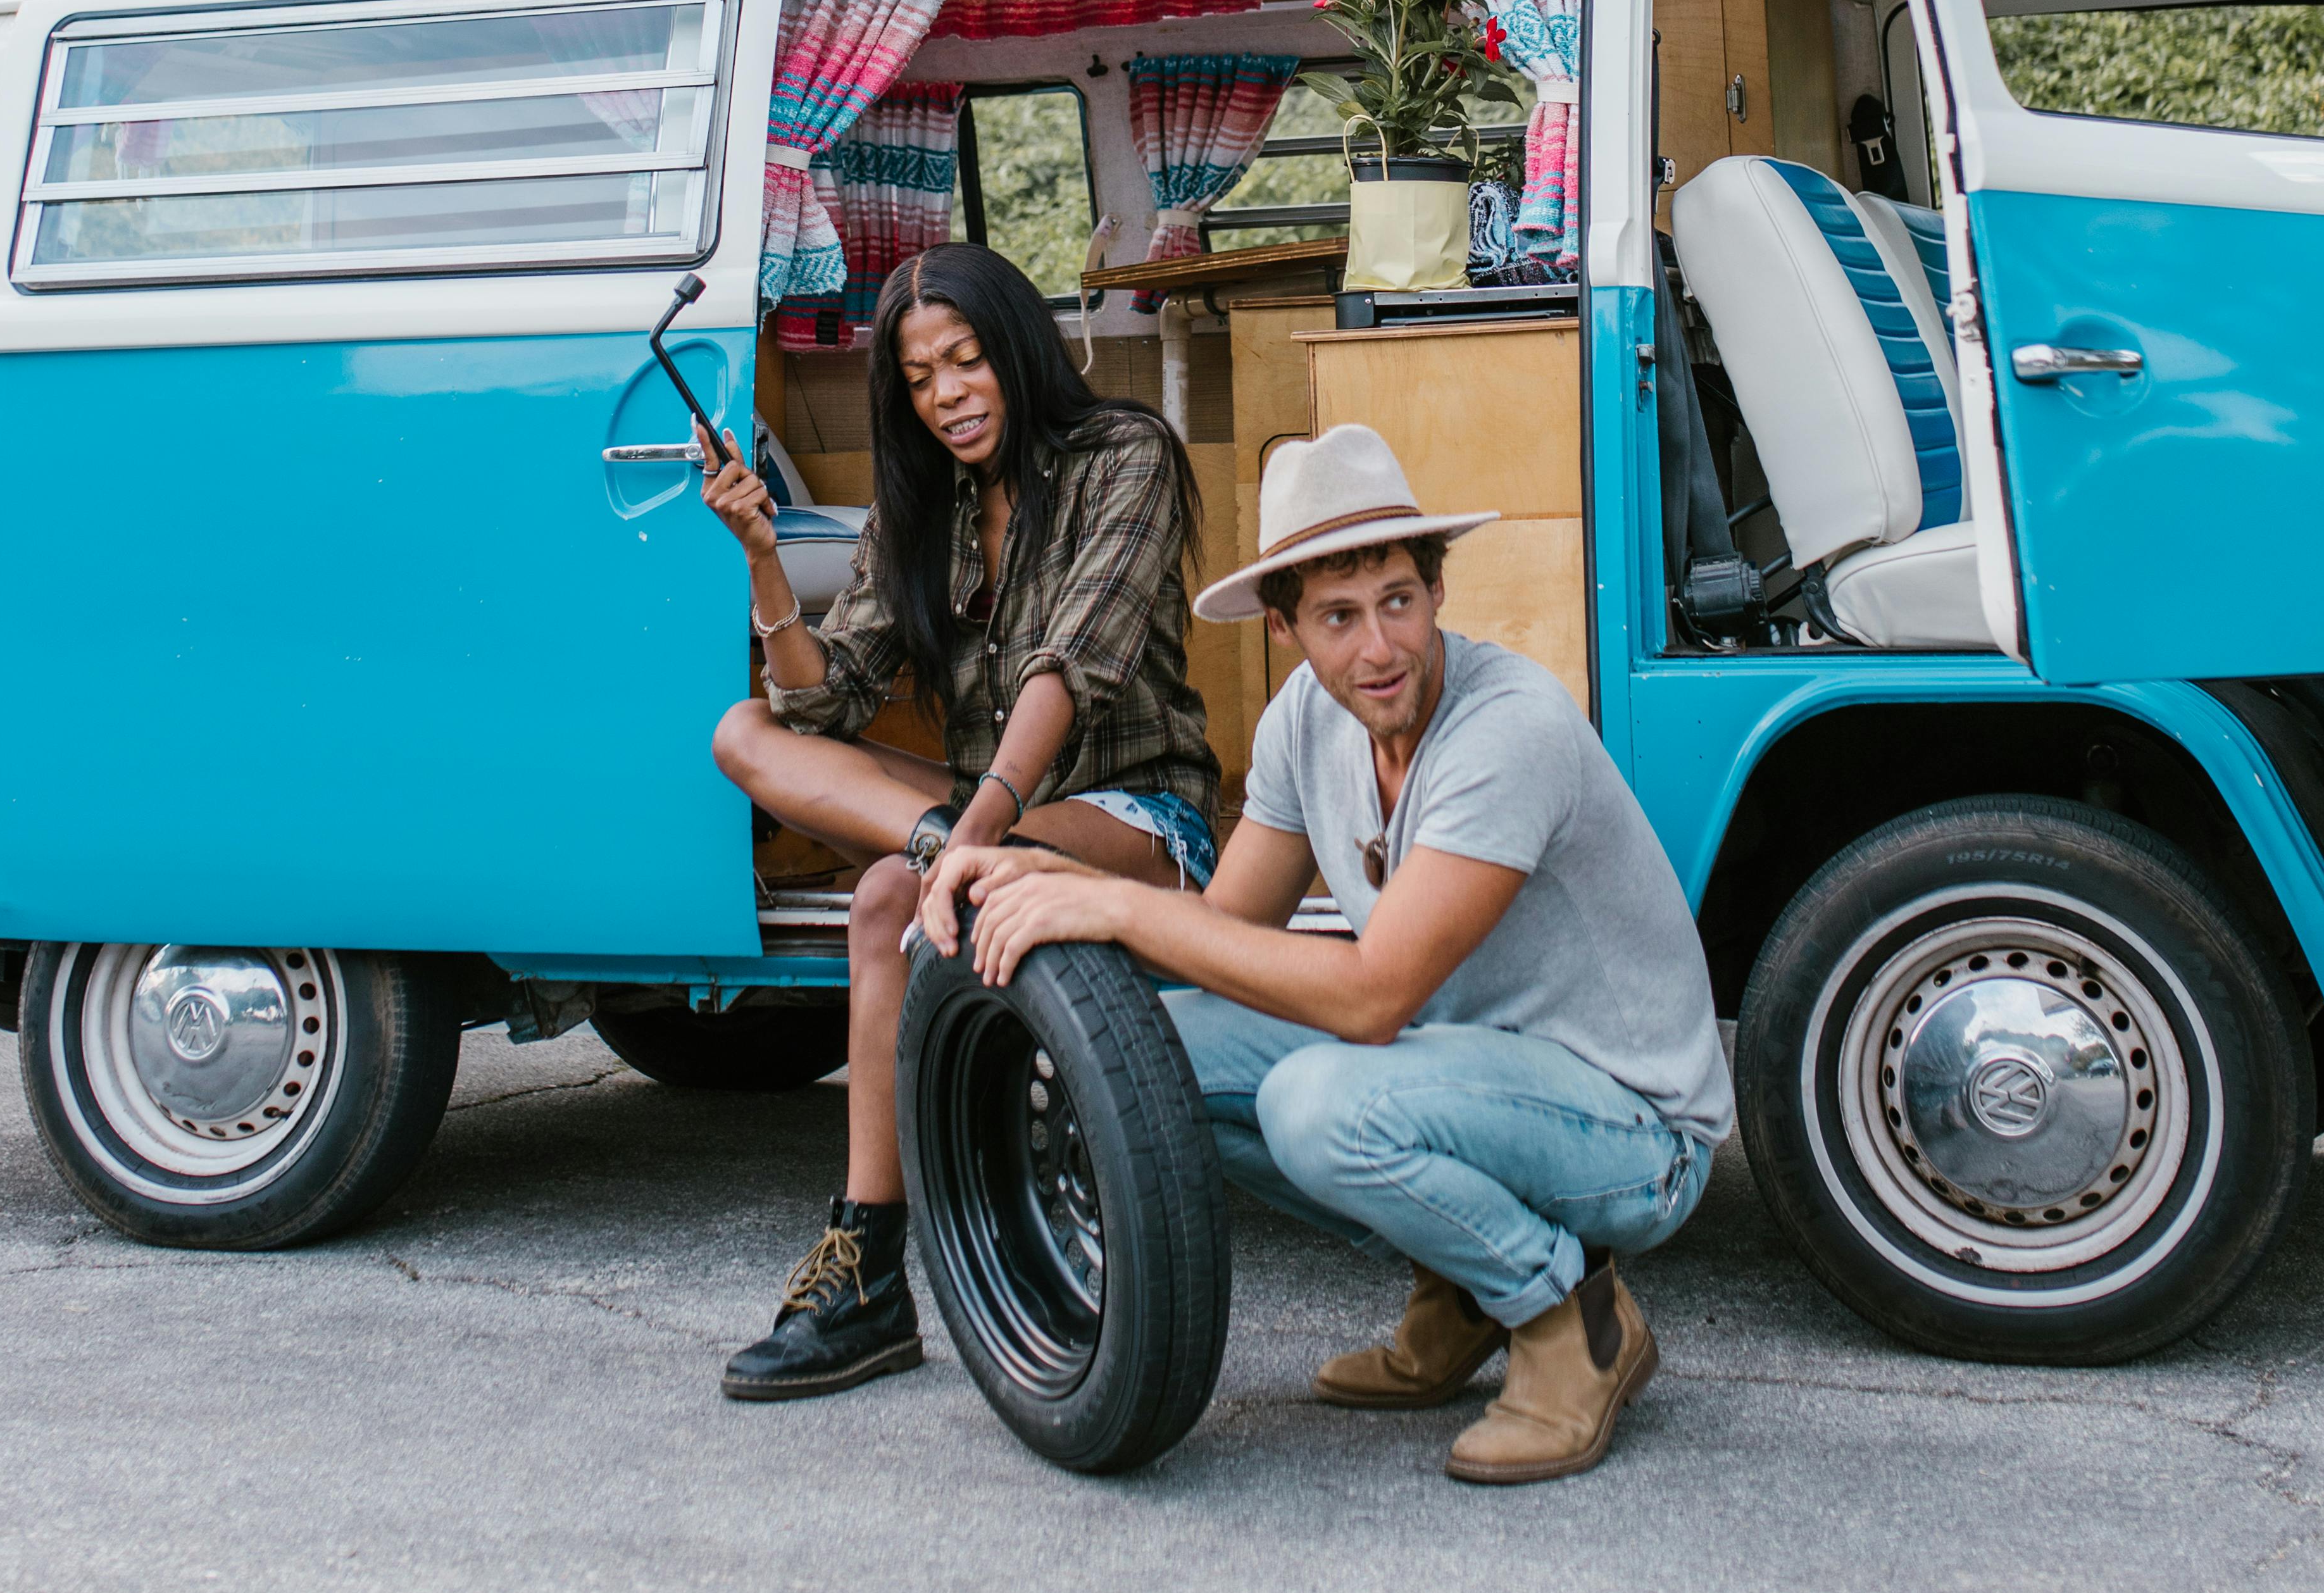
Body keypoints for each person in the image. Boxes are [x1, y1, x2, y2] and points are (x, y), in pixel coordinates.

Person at [923, 423, 1731, 1487]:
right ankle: (1461, 1290)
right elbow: (1228, 935)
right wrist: (1028, 877)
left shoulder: (1507, 729)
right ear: (1286, 625)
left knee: (1318, 1102)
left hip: (1632, 1129)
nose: (1379, 647)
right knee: (1154, 1057)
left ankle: (1566, 1315)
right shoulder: (1308, 720)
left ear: (1436, 587)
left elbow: (1370, 997)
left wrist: (1114, 905)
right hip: (1465, 1073)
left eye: (1399, 599)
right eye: (1339, 617)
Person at [701, 242, 1221, 1402]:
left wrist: (975, 825)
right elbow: (822, 696)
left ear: (1017, 348)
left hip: (1134, 812)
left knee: (892, 894)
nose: (947, 393)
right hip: (981, 815)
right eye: (922, 374)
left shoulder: (1122, 456)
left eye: (967, 358)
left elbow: (1068, 668)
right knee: (744, 732)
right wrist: (763, 554)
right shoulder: (921, 507)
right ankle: (874, 1283)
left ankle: (867, 1272)